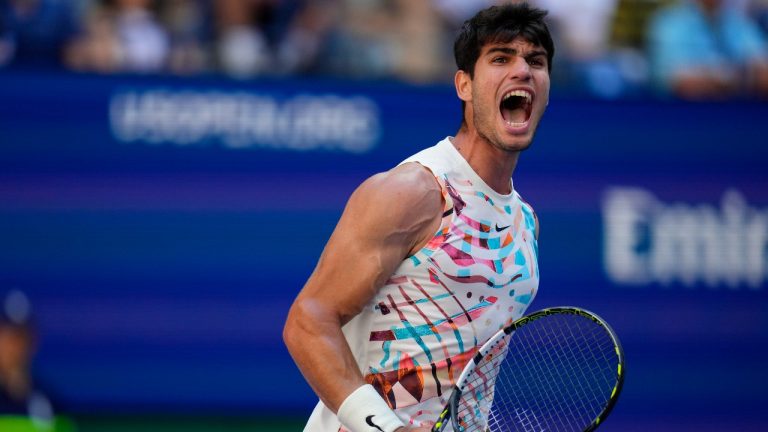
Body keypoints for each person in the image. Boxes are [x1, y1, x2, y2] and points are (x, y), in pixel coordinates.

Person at [283, 3, 552, 431]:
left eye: (535, 61)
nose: (522, 71)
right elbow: (307, 321)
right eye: (501, 58)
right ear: (464, 84)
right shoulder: (415, 191)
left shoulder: (525, 222)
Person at [647, 0, 768, 99]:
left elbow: (764, 74)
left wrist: (720, 79)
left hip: (739, 118)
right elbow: (684, 84)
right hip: (680, 118)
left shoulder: (739, 23)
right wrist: (742, 77)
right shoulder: (670, 24)